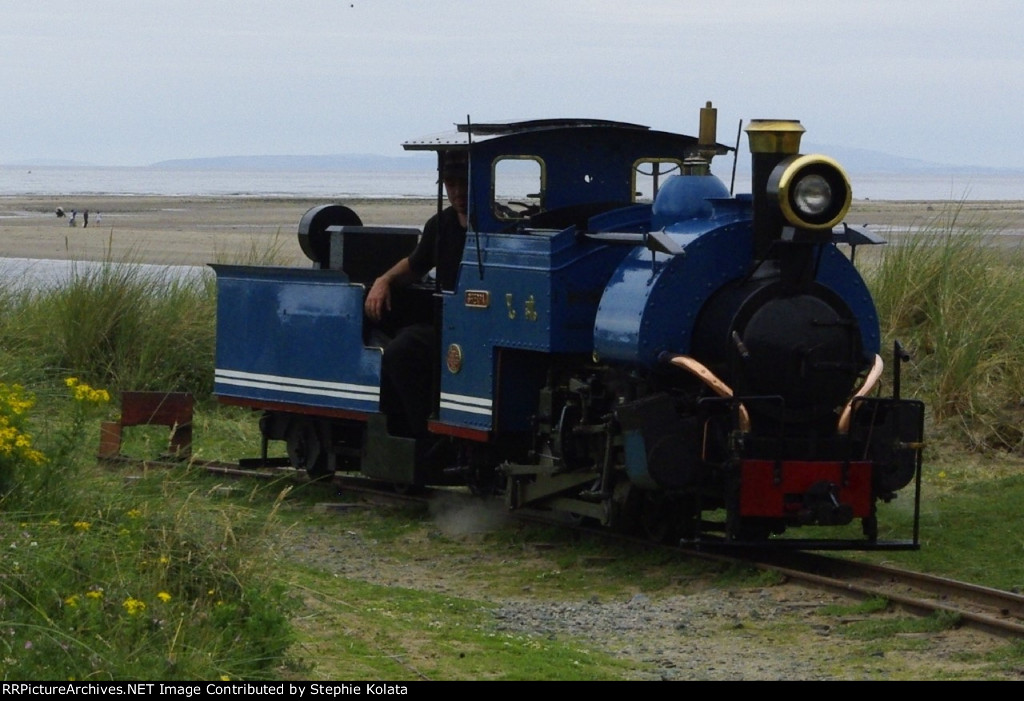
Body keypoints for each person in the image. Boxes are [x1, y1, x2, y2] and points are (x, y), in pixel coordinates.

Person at [364, 150, 468, 448]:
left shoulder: (497, 225)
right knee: (394, 342)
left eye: (464, 183)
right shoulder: (440, 225)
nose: (458, 192)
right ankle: (410, 428)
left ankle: (431, 436)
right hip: (444, 322)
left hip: (473, 325)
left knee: (405, 350)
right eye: (451, 184)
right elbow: (416, 264)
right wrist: (383, 281)